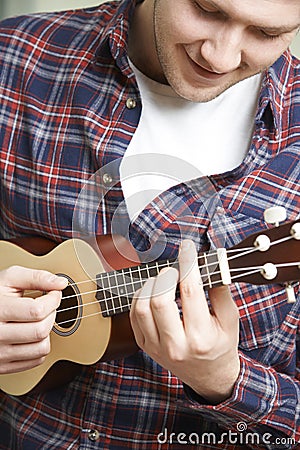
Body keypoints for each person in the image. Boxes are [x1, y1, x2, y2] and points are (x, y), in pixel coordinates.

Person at [0, 0, 299, 448]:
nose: (220, 55)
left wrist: (226, 381)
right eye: (206, 9)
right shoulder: (15, 59)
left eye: (266, 34)